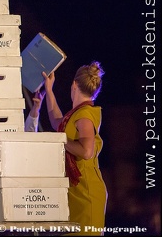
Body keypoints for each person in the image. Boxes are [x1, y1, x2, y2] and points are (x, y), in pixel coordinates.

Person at [42, 61, 108, 236]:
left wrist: (60, 141)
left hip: (86, 193)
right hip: (76, 191)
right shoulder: (76, 114)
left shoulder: (85, 115)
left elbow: (86, 151)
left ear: (74, 85)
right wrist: (49, 90)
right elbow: (58, 122)